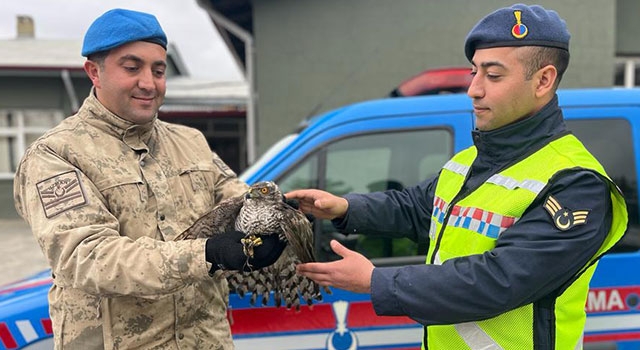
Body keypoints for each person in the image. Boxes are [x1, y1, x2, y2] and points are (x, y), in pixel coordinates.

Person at [288, 4, 628, 349]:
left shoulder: (576, 183)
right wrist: (344, 207)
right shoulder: (469, 162)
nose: (474, 90)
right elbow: (416, 207)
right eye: (473, 73)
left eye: (493, 76)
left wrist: (376, 282)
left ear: (543, 80)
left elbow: (498, 281)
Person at [13, 8, 285, 349]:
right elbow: (89, 257)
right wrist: (208, 253)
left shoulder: (190, 142)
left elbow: (234, 200)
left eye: (159, 70)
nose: (149, 82)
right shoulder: (56, 155)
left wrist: (280, 211)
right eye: (132, 68)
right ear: (94, 72)